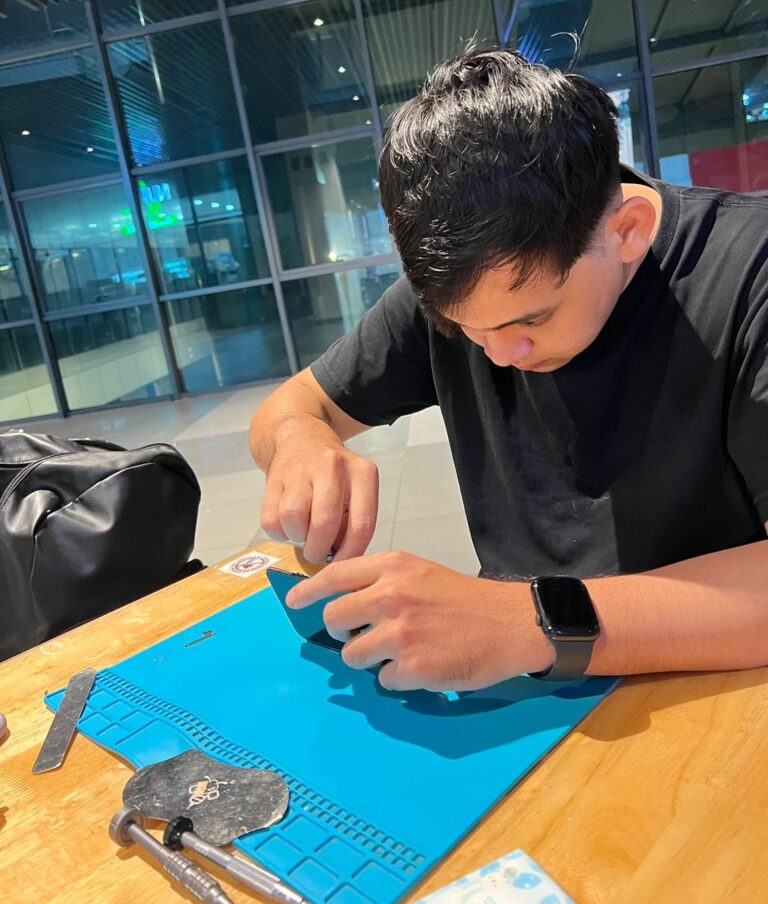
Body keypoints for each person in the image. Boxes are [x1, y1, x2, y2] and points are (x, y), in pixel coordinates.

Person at [250, 43, 768, 693]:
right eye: (464, 326)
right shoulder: (466, 287)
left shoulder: (749, 275)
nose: (497, 354)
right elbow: (291, 407)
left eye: (532, 319)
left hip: (706, 685)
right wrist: (301, 440)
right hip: (529, 678)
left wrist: (534, 620)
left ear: (627, 230)